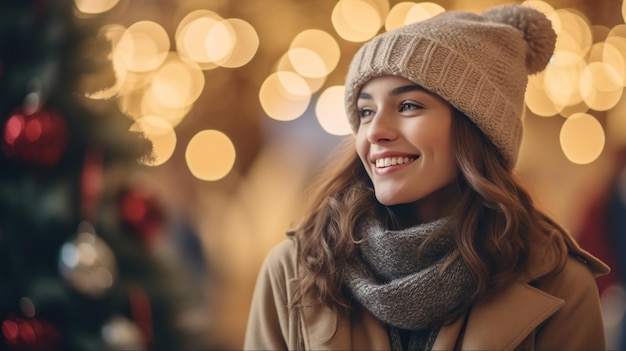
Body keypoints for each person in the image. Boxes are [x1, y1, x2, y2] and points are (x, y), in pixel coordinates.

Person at [244, 4, 609, 350]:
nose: (375, 132)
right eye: (366, 111)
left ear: (476, 127)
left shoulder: (560, 286)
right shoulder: (294, 273)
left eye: (408, 106)